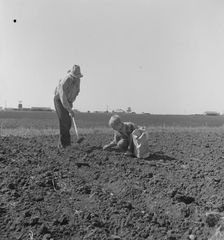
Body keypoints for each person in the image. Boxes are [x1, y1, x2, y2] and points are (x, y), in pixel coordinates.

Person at [54, 64, 83, 149]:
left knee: (68, 123)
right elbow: (62, 97)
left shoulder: (78, 80)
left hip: (68, 101)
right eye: (75, 76)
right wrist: (69, 109)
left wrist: (71, 103)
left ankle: (62, 143)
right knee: (64, 121)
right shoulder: (65, 81)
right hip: (59, 100)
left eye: (77, 77)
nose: (76, 78)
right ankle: (65, 144)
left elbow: (76, 93)